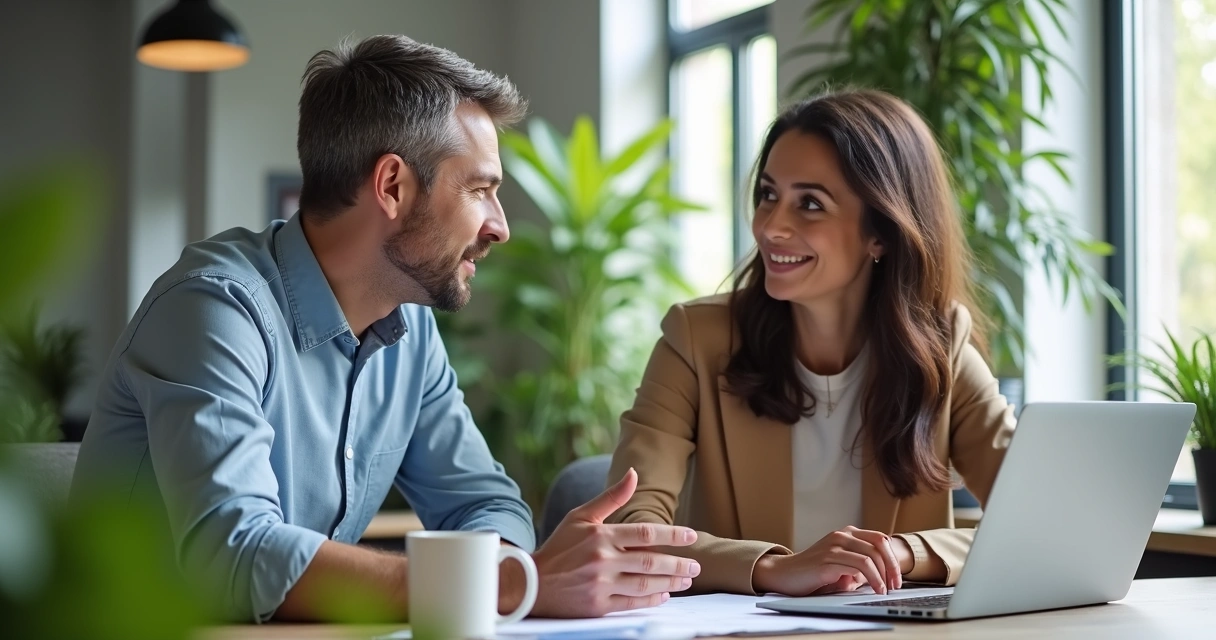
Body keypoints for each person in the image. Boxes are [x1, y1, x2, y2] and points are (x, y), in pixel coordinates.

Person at [71, 35, 700, 623]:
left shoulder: (410, 331)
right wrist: (506, 585)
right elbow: (235, 555)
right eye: (480, 189)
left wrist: (508, 572)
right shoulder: (213, 308)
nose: (501, 226)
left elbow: (485, 504)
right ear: (393, 185)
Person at [607, 89, 1016, 598]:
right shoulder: (695, 340)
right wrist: (773, 568)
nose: (772, 226)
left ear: (881, 235)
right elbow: (628, 529)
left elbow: (1035, 524)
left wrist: (896, 554)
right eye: (768, 194)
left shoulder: (941, 347)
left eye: (810, 204)